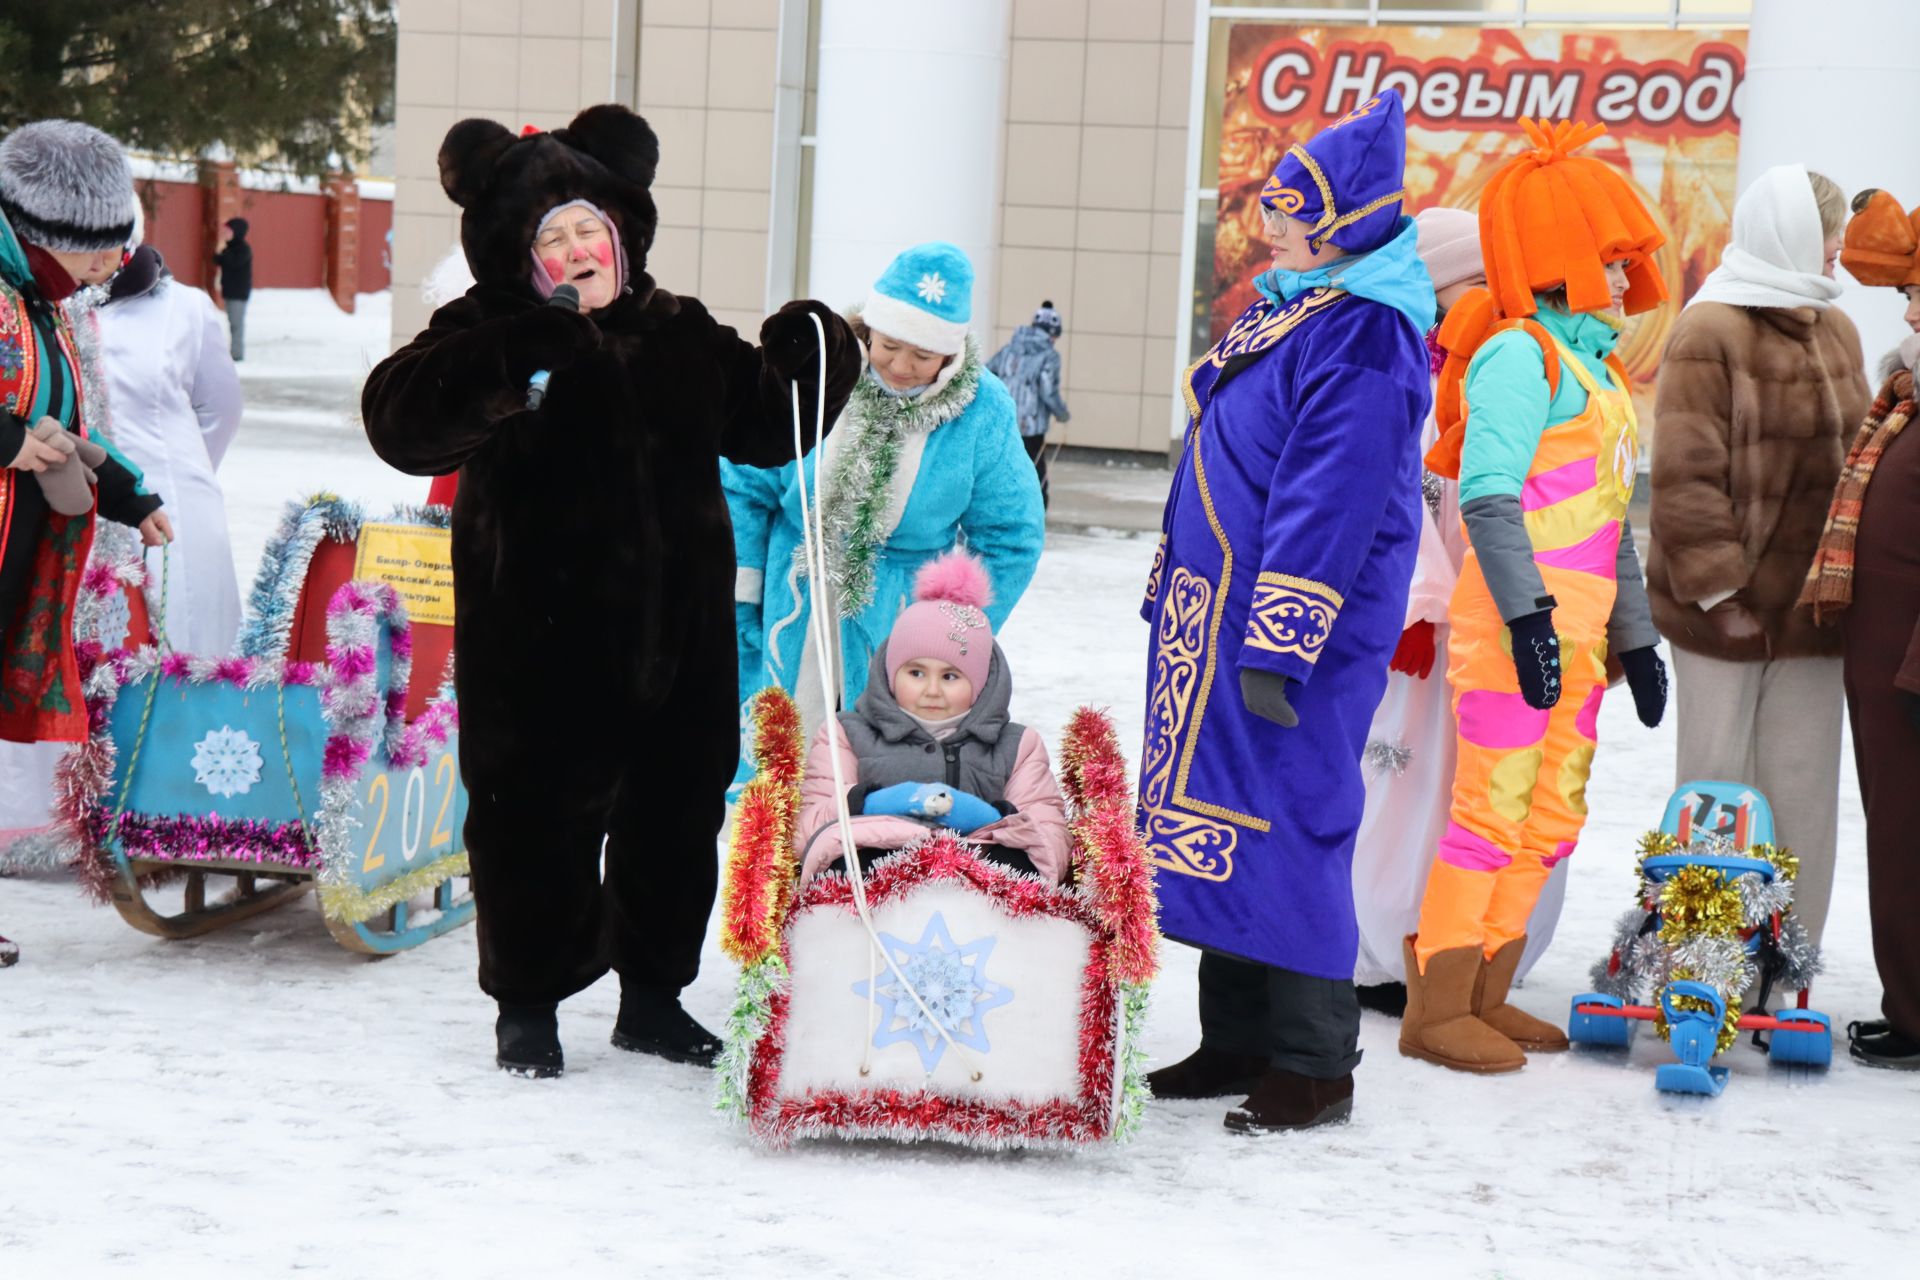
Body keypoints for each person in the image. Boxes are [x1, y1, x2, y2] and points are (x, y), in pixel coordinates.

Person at [360, 106, 860, 1078]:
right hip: (539, 644)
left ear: (623, 233)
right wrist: (514, 358)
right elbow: (400, 419)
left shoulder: (677, 331)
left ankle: (654, 997)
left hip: (680, 639)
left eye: (590, 226)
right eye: (553, 235)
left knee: (675, 816)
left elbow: (765, 424)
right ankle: (528, 1005)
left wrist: (815, 357)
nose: (580, 247)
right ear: (519, 254)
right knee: (531, 819)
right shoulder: (489, 331)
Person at [1139, 91, 1436, 1133]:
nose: (1272, 223)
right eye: (1271, 202)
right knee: (1225, 824)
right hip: (1222, 614)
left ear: (1349, 215)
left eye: (1293, 207)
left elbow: (1330, 498)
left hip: (1290, 632)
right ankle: (1238, 1039)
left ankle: (1314, 1061)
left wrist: (1281, 637)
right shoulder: (1297, 302)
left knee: (1294, 822)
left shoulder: (1365, 334)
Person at [1402, 120, 1669, 1075]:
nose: (1629, 271)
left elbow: (1608, 520)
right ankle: (1438, 1000)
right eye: (1614, 253)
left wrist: (1633, 639)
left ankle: (1488, 991)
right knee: (1492, 807)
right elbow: (1487, 495)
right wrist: (1525, 618)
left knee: (1552, 812)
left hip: (1580, 633)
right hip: (1519, 626)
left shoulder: (1595, 367)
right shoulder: (1524, 357)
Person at [1350, 207, 1568, 1014]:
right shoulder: (1401, 368)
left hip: (1504, 615)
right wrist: (1424, 597)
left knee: (1484, 782)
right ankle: (1385, 943)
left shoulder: (1514, 367)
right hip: (1421, 631)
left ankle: (1475, 938)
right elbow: (1393, 494)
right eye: (1469, 285)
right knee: (1404, 778)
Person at [1645, 166, 1866, 959]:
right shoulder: (1710, 331)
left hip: (1814, 613)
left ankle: (1784, 960)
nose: (1839, 249)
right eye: (1829, 232)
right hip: (1724, 618)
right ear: (1791, 233)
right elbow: (1685, 477)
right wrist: (1721, 591)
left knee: (1802, 795)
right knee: (1716, 788)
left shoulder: (1833, 326)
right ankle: (1698, 959)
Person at [727, 241, 1045, 763]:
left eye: (922, 355)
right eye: (890, 344)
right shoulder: (817, 372)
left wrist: (950, 633)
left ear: (950, 352)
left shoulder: (983, 411)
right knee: (774, 756)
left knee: (875, 766)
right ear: (868, 328)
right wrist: (743, 591)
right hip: (791, 593)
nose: (900, 365)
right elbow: (743, 479)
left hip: (897, 611)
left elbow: (1013, 534)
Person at [0, 120, 172, 961]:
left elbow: (67, 428)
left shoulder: (41, 302)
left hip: (16, 555)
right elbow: (24, 427)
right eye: (102, 250)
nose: (113, 266)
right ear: (53, 239)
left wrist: (129, 495)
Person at [1801, 187, 1920, 1069]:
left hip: (1911, 667)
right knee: (1897, 831)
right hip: (1885, 665)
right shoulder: (1908, 391)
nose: (1910, 308)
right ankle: (1908, 1001)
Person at [794, 550, 1070, 885]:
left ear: (980, 682)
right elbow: (804, 832)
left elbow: (1052, 848)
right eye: (916, 672)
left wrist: (991, 818)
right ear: (890, 671)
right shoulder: (847, 734)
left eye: (950, 677)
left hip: (978, 886)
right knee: (844, 864)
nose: (932, 690)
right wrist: (868, 801)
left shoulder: (1016, 746)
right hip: (872, 879)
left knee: (1018, 867)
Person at [97, 239, 246, 655]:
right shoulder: (40, 307)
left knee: (181, 654)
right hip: (69, 509)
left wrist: (184, 474)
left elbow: (222, 410)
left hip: (173, 515)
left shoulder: (186, 308)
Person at [987, 300, 1071, 507]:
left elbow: (987, 374)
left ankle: (1001, 510)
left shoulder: (1008, 349)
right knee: (1034, 471)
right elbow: (1048, 390)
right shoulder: (1049, 356)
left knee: (1003, 469)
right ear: (1052, 334)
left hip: (1003, 420)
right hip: (1031, 427)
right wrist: (1061, 413)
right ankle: (1035, 515)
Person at [212, 217, 252, 361]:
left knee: (236, 323)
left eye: (228, 231)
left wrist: (223, 249)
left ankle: (237, 354)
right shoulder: (228, 248)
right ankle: (234, 351)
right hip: (229, 291)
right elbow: (217, 259)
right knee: (231, 322)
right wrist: (221, 247)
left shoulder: (243, 249)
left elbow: (232, 262)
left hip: (238, 293)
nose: (225, 234)